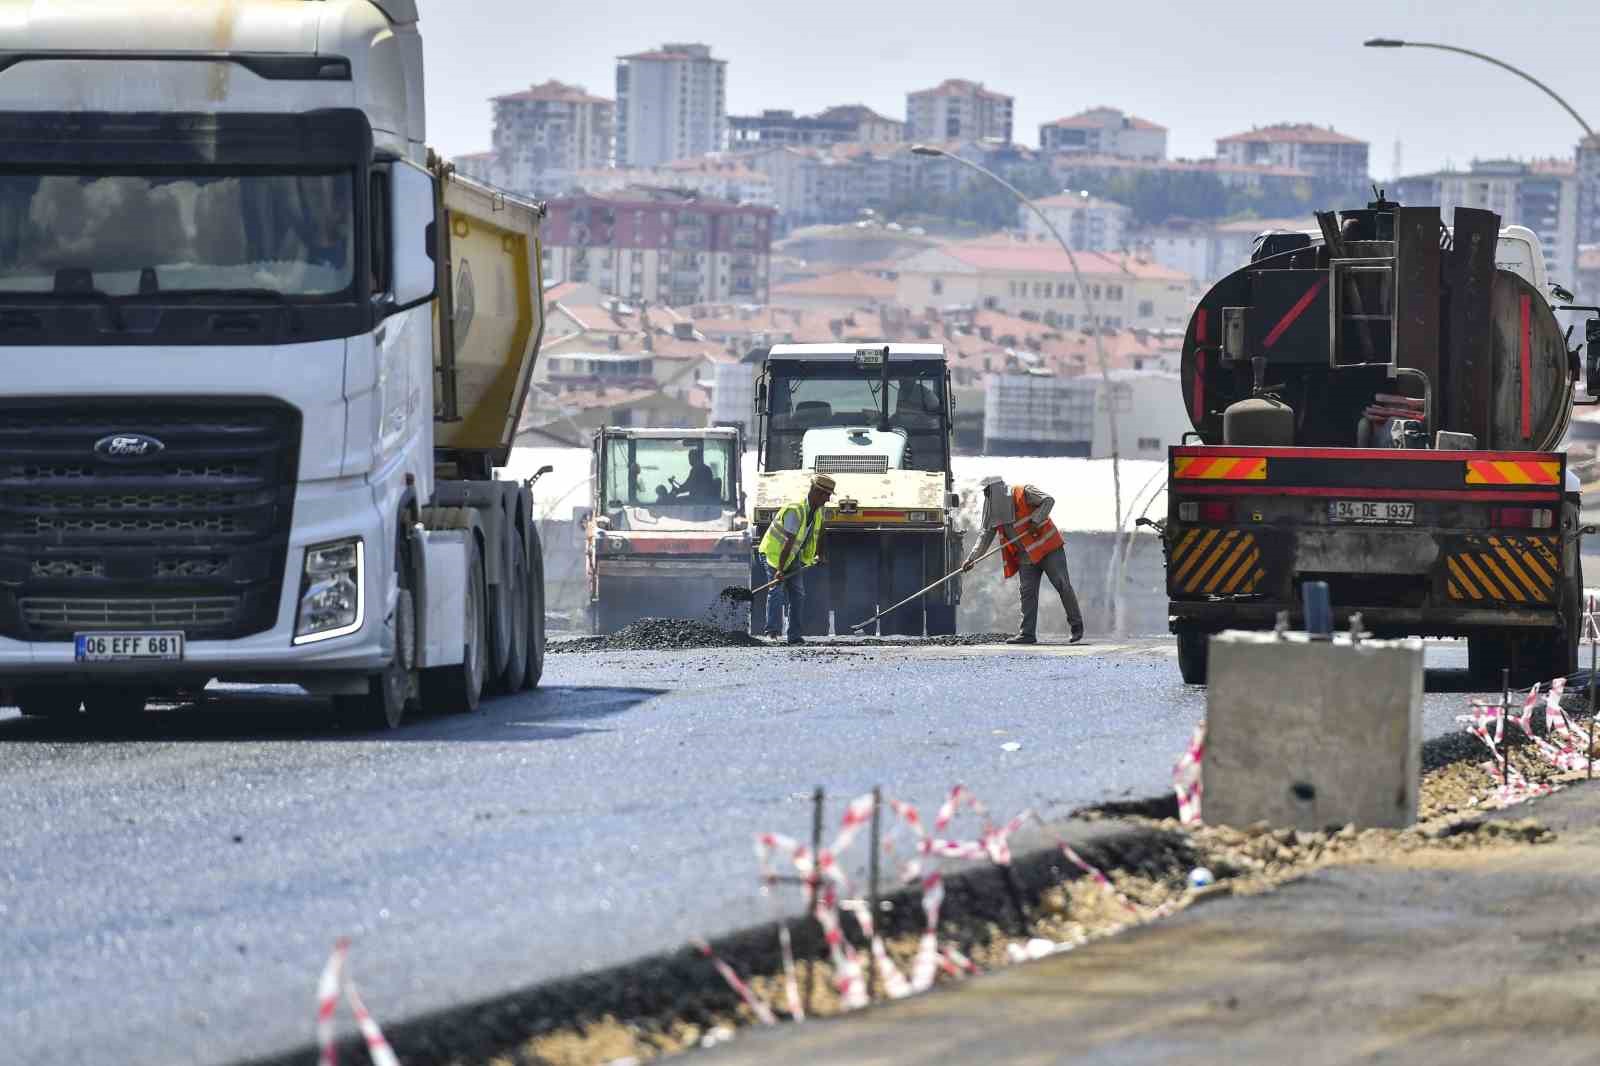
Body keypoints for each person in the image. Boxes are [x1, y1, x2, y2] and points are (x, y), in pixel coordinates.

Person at [962, 476, 1083, 645]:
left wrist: (1036, 519)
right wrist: (972, 559)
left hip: (1048, 549)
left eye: (988, 491)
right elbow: (984, 537)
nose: (986, 495)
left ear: (997, 489)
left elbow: (1048, 500)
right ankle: (1027, 634)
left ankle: (1076, 626)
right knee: (1027, 593)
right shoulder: (992, 510)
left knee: (1062, 584)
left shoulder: (1023, 492)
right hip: (1026, 556)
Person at [758, 473, 835, 644]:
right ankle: (773, 632)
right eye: (826, 495)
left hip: (791, 555)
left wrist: (820, 554)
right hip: (774, 553)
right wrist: (779, 570)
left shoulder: (817, 511)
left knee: (798, 594)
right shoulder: (795, 510)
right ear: (816, 492)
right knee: (776, 590)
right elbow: (788, 541)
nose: (828, 499)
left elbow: (822, 531)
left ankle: (794, 635)